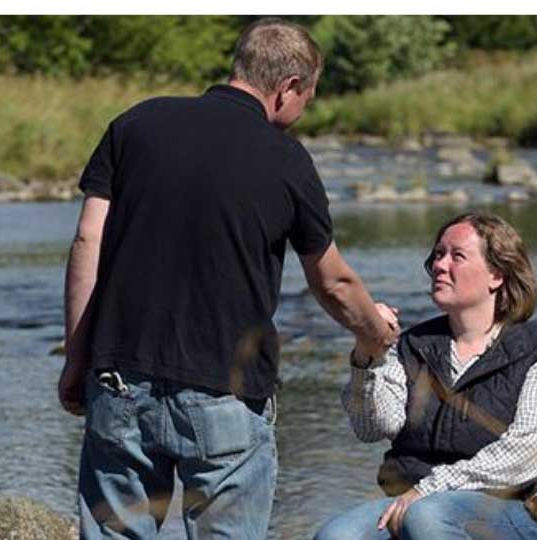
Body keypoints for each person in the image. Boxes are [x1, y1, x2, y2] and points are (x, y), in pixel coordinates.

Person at [57, 18, 399, 539]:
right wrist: (374, 332)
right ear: (288, 87)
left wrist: (78, 358)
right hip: (226, 393)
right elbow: (333, 283)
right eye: (308, 96)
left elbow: (88, 241)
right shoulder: (287, 160)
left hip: (120, 379)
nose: (304, 110)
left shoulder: (135, 124)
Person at [315, 212, 537, 540]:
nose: (441, 266)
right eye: (439, 255)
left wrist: (432, 488)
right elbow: (373, 428)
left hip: (516, 510)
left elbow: (528, 453)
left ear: (496, 275)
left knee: (429, 517)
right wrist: (370, 351)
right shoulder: (414, 345)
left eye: (457, 256)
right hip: (415, 499)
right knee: (338, 536)